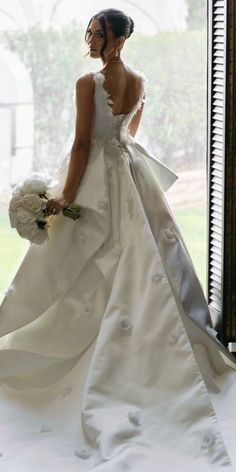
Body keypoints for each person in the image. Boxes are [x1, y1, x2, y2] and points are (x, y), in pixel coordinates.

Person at [0, 8, 236, 471]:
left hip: (97, 180)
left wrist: (63, 197)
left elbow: (84, 144)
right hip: (130, 173)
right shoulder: (140, 80)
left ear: (117, 40)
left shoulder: (89, 83)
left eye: (97, 34)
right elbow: (129, 134)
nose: (89, 40)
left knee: (94, 256)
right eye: (88, 32)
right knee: (145, 254)